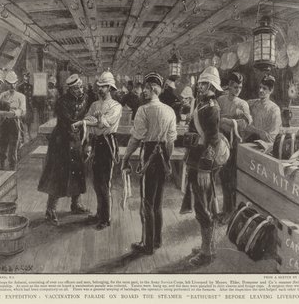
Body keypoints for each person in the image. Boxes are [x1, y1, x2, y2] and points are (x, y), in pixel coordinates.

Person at [121, 72, 177, 255]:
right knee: (158, 203)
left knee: (147, 203)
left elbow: (136, 139)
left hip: (149, 156)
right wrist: (167, 161)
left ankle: (148, 244)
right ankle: (157, 240)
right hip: (163, 158)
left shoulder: (143, 110)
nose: (143, 91)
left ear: (153, 89)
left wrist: (126, 157)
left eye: (146, 88)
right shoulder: (169, 111)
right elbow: (171, 141)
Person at [184, 66, 230, 266]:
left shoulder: (210, 107)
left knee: (203, 206)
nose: (200, 86)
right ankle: (208, 246)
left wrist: (204, 167)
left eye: (203, 84)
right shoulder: (203, 104)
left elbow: (212, 140)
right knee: (206, 203)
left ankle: (206, 253)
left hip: (203, 162)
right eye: (200, 83)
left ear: (211, 85)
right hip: (197, 159)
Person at [72, 71, 122, 230]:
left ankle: (105, 218)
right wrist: (95, 120)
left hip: (108, 143)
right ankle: (99, 213)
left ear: (110, 88)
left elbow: (103, 124)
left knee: (104, 183)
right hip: (96, 142)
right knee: (95, 181)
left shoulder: (116, 106)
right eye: (99, 86)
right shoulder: (94, 105)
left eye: (104, 86)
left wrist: (98, 120)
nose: (100, 89)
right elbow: (88, 120)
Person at [38, 74, 90, 226]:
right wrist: (84, 123)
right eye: (76, 88)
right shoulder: (62, 101)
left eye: (80, 87)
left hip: (77, 139)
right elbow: (68, 121)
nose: (79, 90)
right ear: (70, 89)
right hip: (61, 141)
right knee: (58, 174)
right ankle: (50, 210)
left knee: (77, 171)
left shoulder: (85, 98)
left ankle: (76, 204)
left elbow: (85, 116)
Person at [217, 72, 252, 223]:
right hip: (221, 140)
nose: (238, 90)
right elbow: (215, 118)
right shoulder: (220, 100)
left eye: (240, 87)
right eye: (235, 87)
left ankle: (230, 212)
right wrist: (226, 120)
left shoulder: (243, 104)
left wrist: (229, 121)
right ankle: (225, 209)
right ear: (229, 86)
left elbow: (246, 124)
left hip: (234, 142)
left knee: (231, 178)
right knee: (223, 177)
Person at [0, 70, 26, 170]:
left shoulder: (21, 97)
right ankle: (1, 168)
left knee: (13, 148)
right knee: (2, 147)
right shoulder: (2, 96)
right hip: (4, 124)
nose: (11, 86)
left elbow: (22, 111)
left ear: (17, 83)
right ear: (6, 83)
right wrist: (4, 113)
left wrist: (14, 113)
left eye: (13, 83)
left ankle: (12, 169)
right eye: (9, 83)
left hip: (15, 124)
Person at [244, 75, 282, 143]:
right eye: (260, 87)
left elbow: (272, 137)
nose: (260, 90)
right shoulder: (252, 103)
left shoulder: (274, 110)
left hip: (265, 144)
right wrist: (258, 132)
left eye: (264, 88)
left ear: (271, 90)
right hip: (250, 140)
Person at [17, 72, 34, 142]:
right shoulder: (20, 87)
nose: (26, 78)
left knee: (29, 122)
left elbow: (32, 97)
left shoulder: (31, 86)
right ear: (23, 77)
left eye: (27, 76)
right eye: (25, 76)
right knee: (23, 122)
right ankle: (23, 137)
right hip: (23, 106)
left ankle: (29, 135)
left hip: (29, 106)